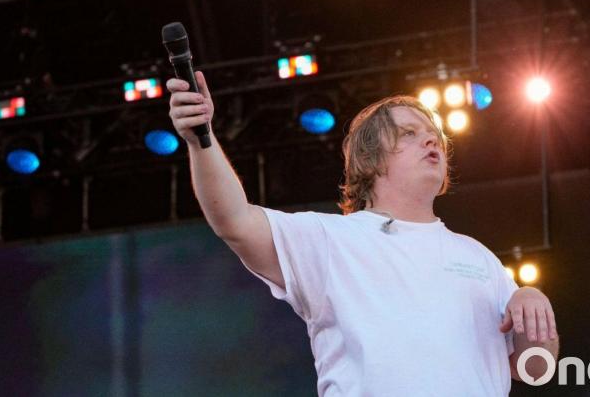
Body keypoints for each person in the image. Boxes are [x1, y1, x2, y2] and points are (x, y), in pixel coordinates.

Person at [167, 72, 559, 396]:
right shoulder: (329, 239)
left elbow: (537, 368)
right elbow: (234, 220)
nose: (430, 140)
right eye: (408, 133)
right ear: (369, 160)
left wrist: (531, 302)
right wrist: (201, 141)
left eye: (433, 134)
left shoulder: (478, 258)